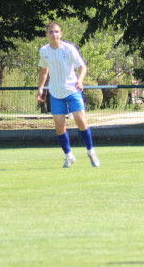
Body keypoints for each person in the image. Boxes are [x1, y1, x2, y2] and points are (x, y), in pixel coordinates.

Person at [37, 21, 100, 168]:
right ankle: (68, 155)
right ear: (46, 35)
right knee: (59, 126)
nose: (54, 34)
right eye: (51, 32)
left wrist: (80, 80)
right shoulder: (44, 51)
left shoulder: (69, 49)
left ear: (61, 33)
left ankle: (91, 152)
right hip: (55, 92)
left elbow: (82, 66)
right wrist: (40, 88)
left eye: (57, 31)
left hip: (72, 90)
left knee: (81, 121)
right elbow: (43, 70)